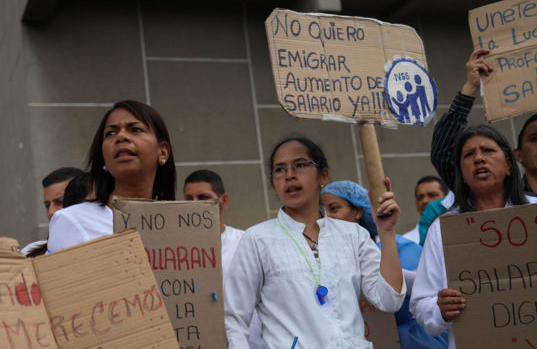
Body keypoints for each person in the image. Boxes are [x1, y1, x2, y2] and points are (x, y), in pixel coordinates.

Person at [224, 136, 405, 349]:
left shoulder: (353, 235)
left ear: (323, 175)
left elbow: (389, 300)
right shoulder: (257, 239)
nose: (289, 175)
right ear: (273, 183)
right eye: (280, 170)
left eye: (300, 165)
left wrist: (387, 232)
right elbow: (234, 319)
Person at [411, 124, 537, 349]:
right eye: (469, 154)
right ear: (461, 174)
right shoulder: (442, 229)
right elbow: (421, 306)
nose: (479, 159)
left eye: (488, 151)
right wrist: (440, 309)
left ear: (509, 165)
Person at [431, 49, 537, 201]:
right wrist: (469, 89)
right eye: (535, 138)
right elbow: (443, 153)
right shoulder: (494, 199)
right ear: (517, 155)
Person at [321, 180, 448, 349]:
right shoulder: (326, 260)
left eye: (334, 208)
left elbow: (433, 290)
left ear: (358, 211)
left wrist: (387, 276)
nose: (327, 217)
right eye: (322, 212)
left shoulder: (401, 249)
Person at [47, 100, 175, 253]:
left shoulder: (180, 227)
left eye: (135, 129)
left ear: (163, 152)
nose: (121, 136)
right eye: (111, 133)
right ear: (104, 159)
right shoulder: (72, 221)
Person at [183, 169, 264, 349]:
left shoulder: (247, 243)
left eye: (203, 197)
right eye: (189, 199)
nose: (195, 205)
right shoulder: (177, 253)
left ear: (224, 201)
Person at [20, 167, 84, 256]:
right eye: (47, 206)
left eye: (59, 202)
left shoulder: (105, 240)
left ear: (84, 201)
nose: (51, 212)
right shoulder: (29, 251)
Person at [403, 176, 448, 244]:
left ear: (447, 199)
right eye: (420, 197)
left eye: (432, 195)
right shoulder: (406, 241)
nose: (425, 201)